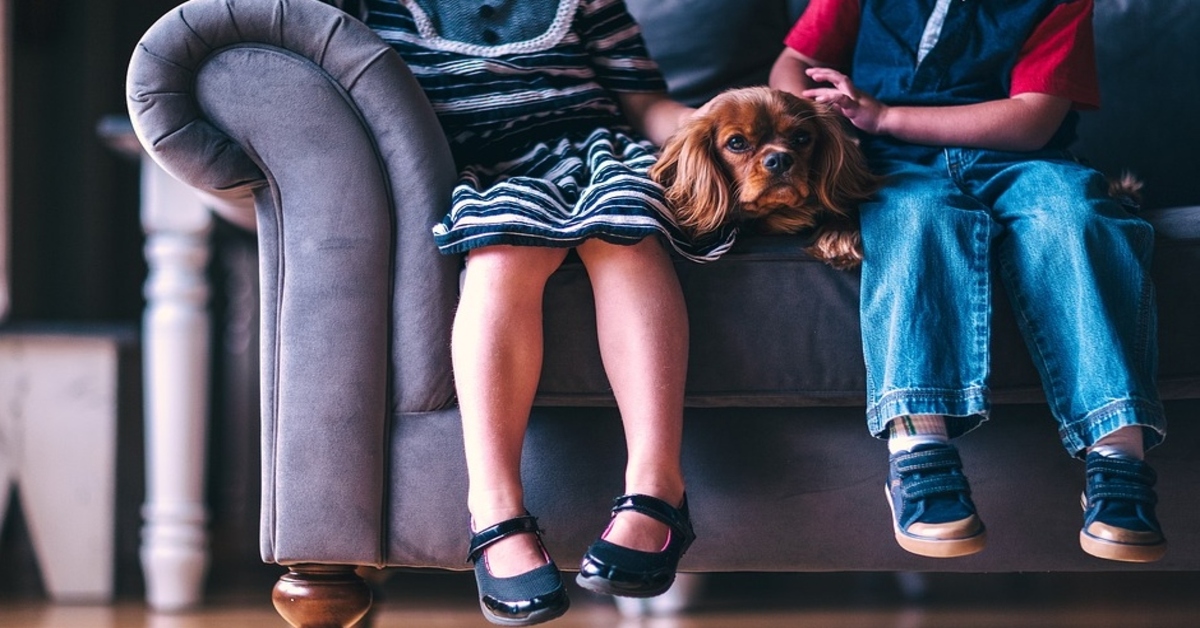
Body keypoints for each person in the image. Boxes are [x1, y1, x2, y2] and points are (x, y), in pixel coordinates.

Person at [341, 0, 733, 624]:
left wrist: (711, 125)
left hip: (599, 150)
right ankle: (494, 507)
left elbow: (644, 101)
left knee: (626, 234)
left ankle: (656, 486)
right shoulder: (372, 9)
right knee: (501, 256)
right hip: (490, 167)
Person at [770, 0, 1167, 563]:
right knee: (915, 220)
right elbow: (794, 59)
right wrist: (815, 120)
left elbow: (1033, 120)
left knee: (1076, 219)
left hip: (1021, 160)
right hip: (895, 165)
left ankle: (1117, 454)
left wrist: (883, 116)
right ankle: (919, 445)